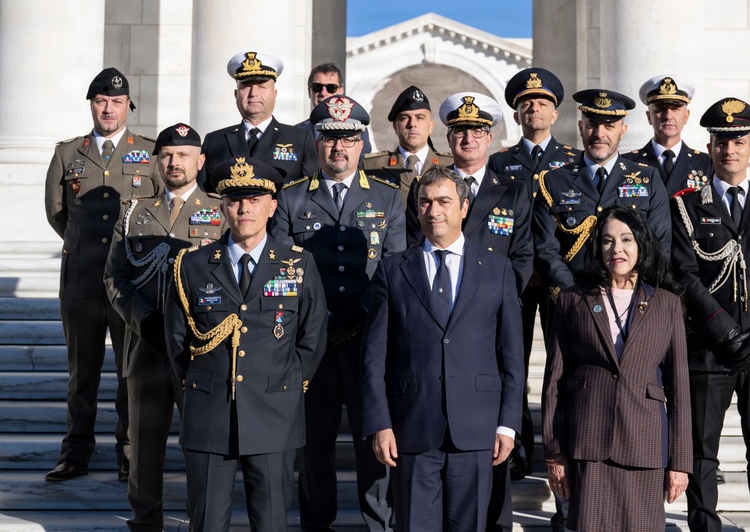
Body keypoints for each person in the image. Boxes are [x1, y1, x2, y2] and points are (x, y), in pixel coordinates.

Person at [165, 155, 328, 532]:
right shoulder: (191, 264)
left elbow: (313, 335)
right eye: (236, 199)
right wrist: (200, 384)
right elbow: (176, 341)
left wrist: (287, 385)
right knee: (206, 523)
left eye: (254, 199)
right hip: (209, 413)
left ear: (272, 206)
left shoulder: (298, 264)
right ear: (222, 206)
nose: (244, 208)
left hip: (274, 411)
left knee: (271, 523)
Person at [361, 167, 525, 531]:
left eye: (444, 201)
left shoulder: (497, 269)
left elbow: (512, 357)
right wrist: (380, 423)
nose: (433, 210)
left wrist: (509, 425)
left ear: (464, 207)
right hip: (413, 427)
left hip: (477, 428)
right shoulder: (392, 271)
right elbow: (374, 358)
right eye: (425, 202)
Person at [669, 98, 750, 532]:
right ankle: (704, 527)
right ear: (709, 147)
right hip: (710, 351)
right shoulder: (686, 206)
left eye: (739, 141)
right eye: (722, 141)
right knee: (701, 452)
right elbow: (684, 276)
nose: (730, 149)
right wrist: (726, 333)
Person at [271, 95, 404, 532]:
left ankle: (380, 524)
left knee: (376, 441)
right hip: (313, 345)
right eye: (329, 138)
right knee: (313, 445)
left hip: (369, 342)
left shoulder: (388, 199)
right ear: (314, 140)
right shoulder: (290, 202)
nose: (338, 148)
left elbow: (396, 272)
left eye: (348, 138)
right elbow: (282, 273)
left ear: (362, 142)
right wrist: (314, 325)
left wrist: (368, 322)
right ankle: (316, 524)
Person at [403, 91, 532, 532]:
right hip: (431, 326)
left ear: (491, 138)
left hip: (491, 318)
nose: (468, 138)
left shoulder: (512, 192)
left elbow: (523, 256)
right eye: (459, 132)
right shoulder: (428, 192)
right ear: (449, 137)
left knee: (484, 500)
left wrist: (494, 299)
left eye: (477, 131)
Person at [542, 207, 691, 532]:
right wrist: (554, 454)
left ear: (641, 244)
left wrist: (680, 462)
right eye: (607, 241)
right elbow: (553, 382)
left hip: (645, 444)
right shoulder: (571, 301)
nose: (616, 249)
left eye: (626, 239)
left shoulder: (666, 304)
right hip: (588, 444)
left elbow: (679, 388)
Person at [104, 122, 220, 531]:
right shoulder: (134, 212)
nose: (175, 162)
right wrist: (144, 320)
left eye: (184, 154)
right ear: (157, 161)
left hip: (200, 352)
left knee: (202, 450)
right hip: (147, 349)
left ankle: (200, 522)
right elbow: (114, 277)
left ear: (200, 161)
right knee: (144, 453)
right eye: (167, 155)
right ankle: (145, 523)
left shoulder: (222, 211)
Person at [44, 68, 157, 482]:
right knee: (82, 373)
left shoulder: (148, 152)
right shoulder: (67, 154)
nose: (108, 109)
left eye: (116, 102)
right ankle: (75, 453)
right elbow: (58, 213)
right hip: (82, 280)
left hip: (130, 283)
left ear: (128, 106)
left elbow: (158, 209)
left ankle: (129, 452)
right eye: (100, 101)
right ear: (92, 104)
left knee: (131, 371)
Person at [488, 67, 579, 480]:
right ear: (517, 113)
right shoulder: (499, 163)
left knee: (561, 369)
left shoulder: (574, 163)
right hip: (515, 281)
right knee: (513, 365)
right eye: (527, 104)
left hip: (559, 281)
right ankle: (518, 448)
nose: (534, 109)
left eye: (542, 103)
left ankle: (559, 448)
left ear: (555, 113)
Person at [533, 88, 672, 296]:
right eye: (592, 125)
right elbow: (546, 250)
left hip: (631, 301)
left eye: (609, 126)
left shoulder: (648, 179)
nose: (599, 134)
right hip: (570, 301)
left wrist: (627, 292)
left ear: (622, 131)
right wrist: (575, 297)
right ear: (581, 127)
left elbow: (659, 245)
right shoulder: (553, 181)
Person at [200, 51, 318, 193]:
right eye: (246, 86)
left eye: (262, 86)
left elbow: (311, 192)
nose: (253, 93)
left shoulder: (300, 139)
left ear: (274, 94)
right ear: (236, 95)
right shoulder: (214, 141)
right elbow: (204, 196)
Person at [362, 85, 453, 206]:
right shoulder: (372, 165)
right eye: (404, 118)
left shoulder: (450, 165)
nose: (412, 124)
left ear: (431, 126)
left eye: (420, 117)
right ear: (395, 127)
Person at [622, 74, 713, 195]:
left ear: (686, 116)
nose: (668, 116)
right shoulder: (626, 163)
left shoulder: (707, 164)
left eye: (675, 109)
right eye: (660, 109)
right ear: (649, 117)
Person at [296, 62, 373, 153]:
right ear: (309, 91)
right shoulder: (295, 133)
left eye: (331, 88)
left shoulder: (358, 132)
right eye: (317, 87)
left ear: (341, 92)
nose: (323, 93)